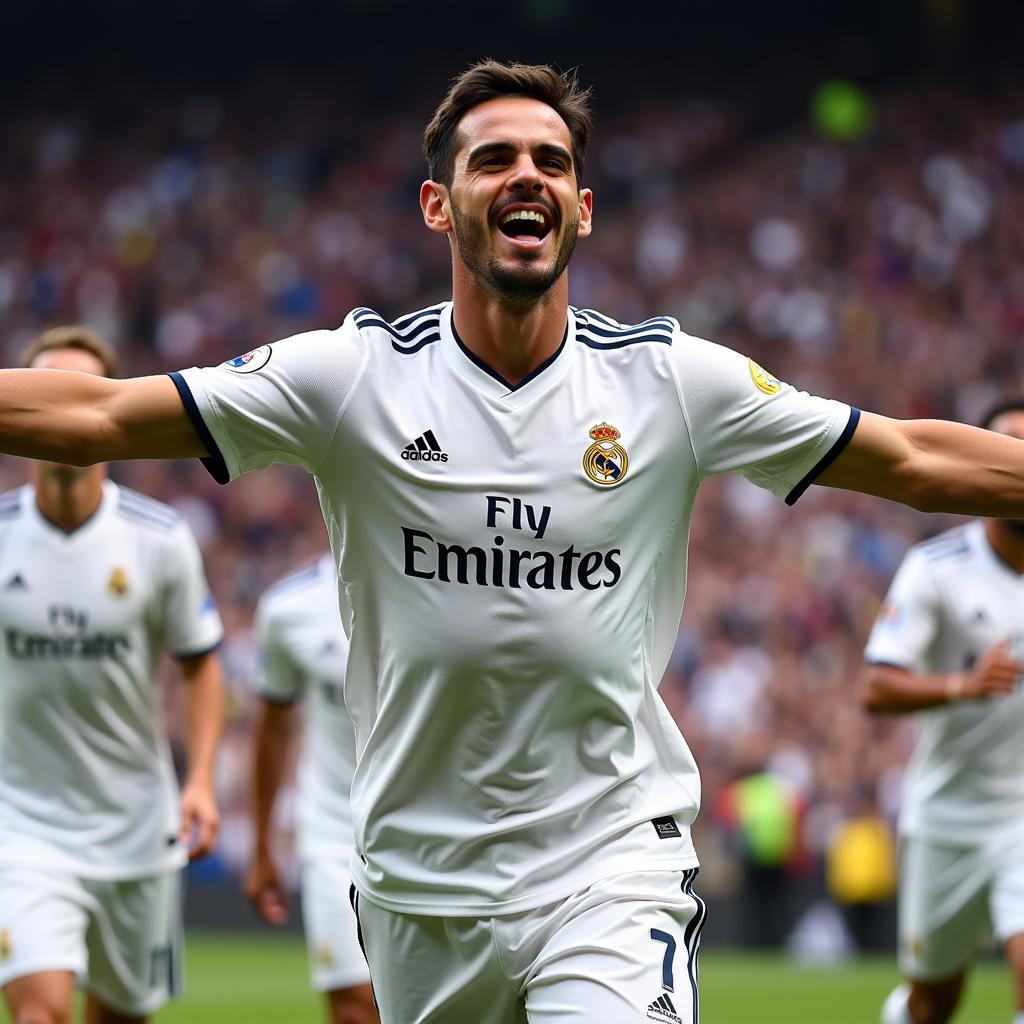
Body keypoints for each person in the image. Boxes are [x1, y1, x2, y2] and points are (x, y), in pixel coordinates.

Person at [2, 62, 1024, 1023]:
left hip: (608, 864)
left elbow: (911, 458)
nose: (526, 175)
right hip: (418, 884)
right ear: (437, 205)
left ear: (581, 209)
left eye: (552, 162)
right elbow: (96, 416)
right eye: (493, 158)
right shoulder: (350, 378)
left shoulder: (668, 383)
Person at [0, 327, 225, 1024]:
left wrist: (200, 780)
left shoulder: (159, 540)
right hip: (21, 823)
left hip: (135, 826)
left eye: (82, 392)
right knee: (42, 1013)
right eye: (48, 393)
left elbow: (200, 664)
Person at [863, 398, 1024, 1024]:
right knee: (934, 1001)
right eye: (1008, 452)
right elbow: (876, 688)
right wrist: (963, 685)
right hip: (948, 817)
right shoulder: (936, 569)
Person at [244, 553, 377, 1024]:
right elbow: (274, 728)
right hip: (334, 834)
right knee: (356, 1009)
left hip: (431, 830)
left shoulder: (445, 585)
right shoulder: (288, 607)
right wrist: (261, 848)